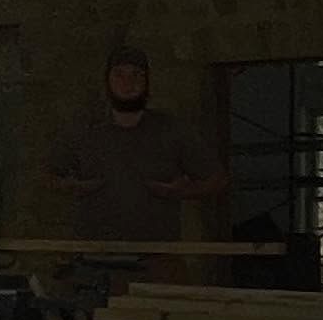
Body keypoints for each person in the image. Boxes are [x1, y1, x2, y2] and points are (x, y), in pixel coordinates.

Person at [47, 45, 227, 244]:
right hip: (95, 256)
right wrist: (70, 186)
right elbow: (49, 174)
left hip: (156, 254)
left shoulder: (171, 129)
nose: (128, 83)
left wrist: (181, 192)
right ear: (107, 81)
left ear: (147, 81)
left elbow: (216, 179)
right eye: (119, 75)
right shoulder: (83, 130)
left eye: (136, 75)